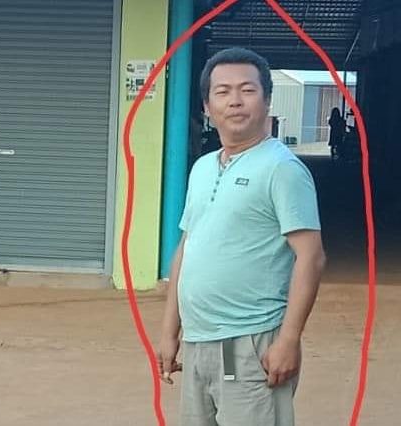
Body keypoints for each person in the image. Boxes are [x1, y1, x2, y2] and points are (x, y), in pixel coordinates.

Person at [157, 47, 326, 426]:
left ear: (267, 100)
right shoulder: (202, 168)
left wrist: (288, 340)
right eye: (223, 91)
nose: (235, 100)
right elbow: (187, 248)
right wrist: (170, 332)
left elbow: (311, 256)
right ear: (207, 106)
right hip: (199, 341)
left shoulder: (282, 169)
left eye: (247, 90)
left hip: (244, 344)